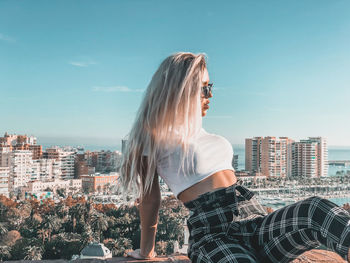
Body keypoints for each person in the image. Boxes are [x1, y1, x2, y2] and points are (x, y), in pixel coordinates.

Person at [120, 52, 350, 263]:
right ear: (179, 90)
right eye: (202, 88)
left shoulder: (206, 136)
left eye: (210, 86)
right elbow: (150, 199)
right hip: (214, 236)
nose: (210, 94)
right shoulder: (151, 138)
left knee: (316, 209)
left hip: (258, 222)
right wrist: (146, 251)